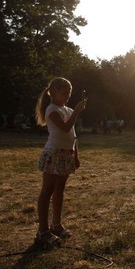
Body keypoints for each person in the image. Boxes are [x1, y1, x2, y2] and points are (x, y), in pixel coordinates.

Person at [34, 77, 86, 248]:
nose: (68, 96)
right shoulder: (52, 109)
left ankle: (56, 225)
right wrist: (77, 112)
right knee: (47, 190)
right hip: (53, 154)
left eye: (69, 93)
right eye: (64, 93)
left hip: (66, 154)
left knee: (59, 190)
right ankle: (42, 231)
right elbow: (64, 128)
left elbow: (73, 134)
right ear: (53, 92)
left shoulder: (68, 109)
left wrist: (76, 155)